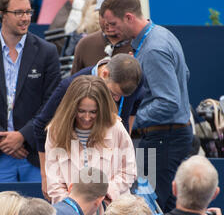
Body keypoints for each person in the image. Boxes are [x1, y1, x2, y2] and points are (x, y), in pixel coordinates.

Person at [100, 0, 193, 213]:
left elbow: (168, 101)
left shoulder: (153, 49)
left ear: (130, 17)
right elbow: (185, 76)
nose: (110, 30)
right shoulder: (161, 36)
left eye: (114, 24)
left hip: (162, 140)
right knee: (167, 209)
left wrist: (128, 120)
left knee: (148, 209)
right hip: (168, 138)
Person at [0, 0, 61, 183]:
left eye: (28, 12)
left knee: (38, 213)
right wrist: (3, 140)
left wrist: (22, 136)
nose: (25, 18)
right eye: (18, 12)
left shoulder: (47, 52)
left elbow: (52, 104)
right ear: (1, 14)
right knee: (0, 213)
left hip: (34, 153)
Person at [33, 53, 143, 200]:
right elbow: (55, 183)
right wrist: (74, 205)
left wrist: (102, 193)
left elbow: (128, 171)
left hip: (111, 210)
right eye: (81, 111)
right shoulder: (55, 130)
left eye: (93, 112)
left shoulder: (116, 127)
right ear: (71, 108)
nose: (86, 117)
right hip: (71, 213)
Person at [71, 0, 132, 74]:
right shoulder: (85, 45)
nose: (107, 21)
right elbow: (74, 84)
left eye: (115, 14)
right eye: (102, 14)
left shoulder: (140, 44)